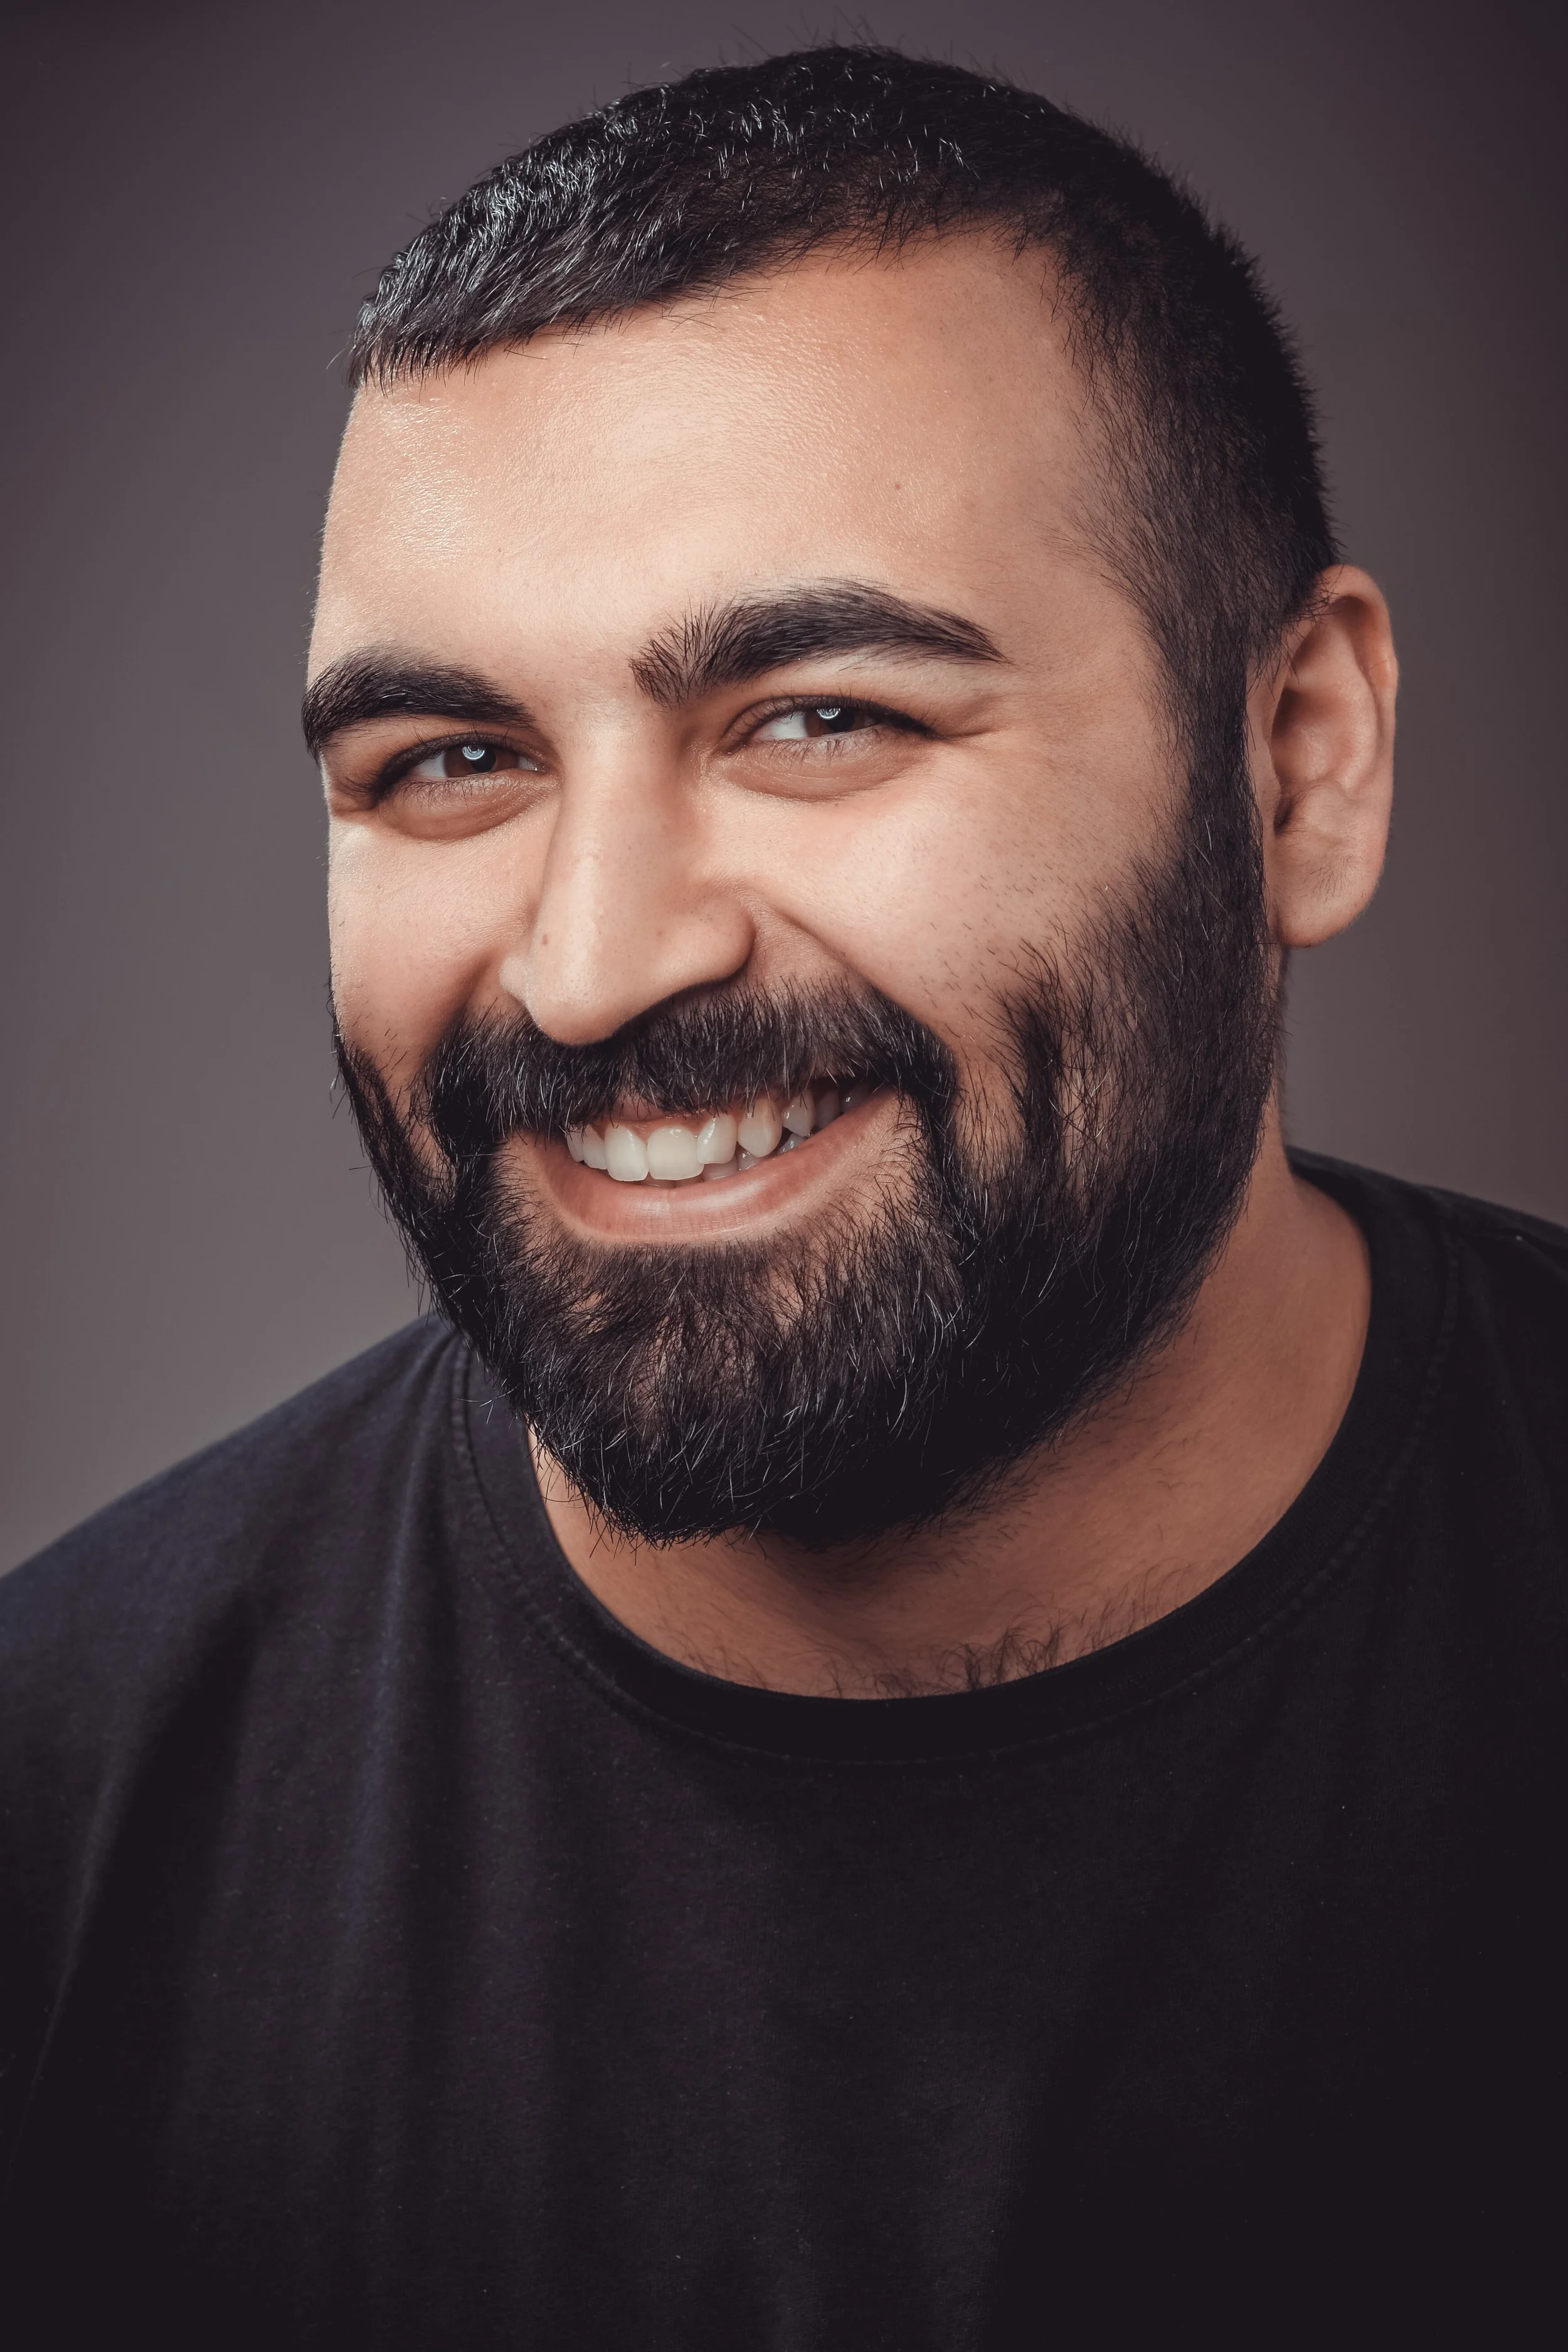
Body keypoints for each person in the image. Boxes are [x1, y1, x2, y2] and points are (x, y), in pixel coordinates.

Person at [2, 41, 1563, 2346]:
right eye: (451, 760)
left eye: (821, 715)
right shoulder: (59, 1826)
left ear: (1296, 765)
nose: (595, 959)